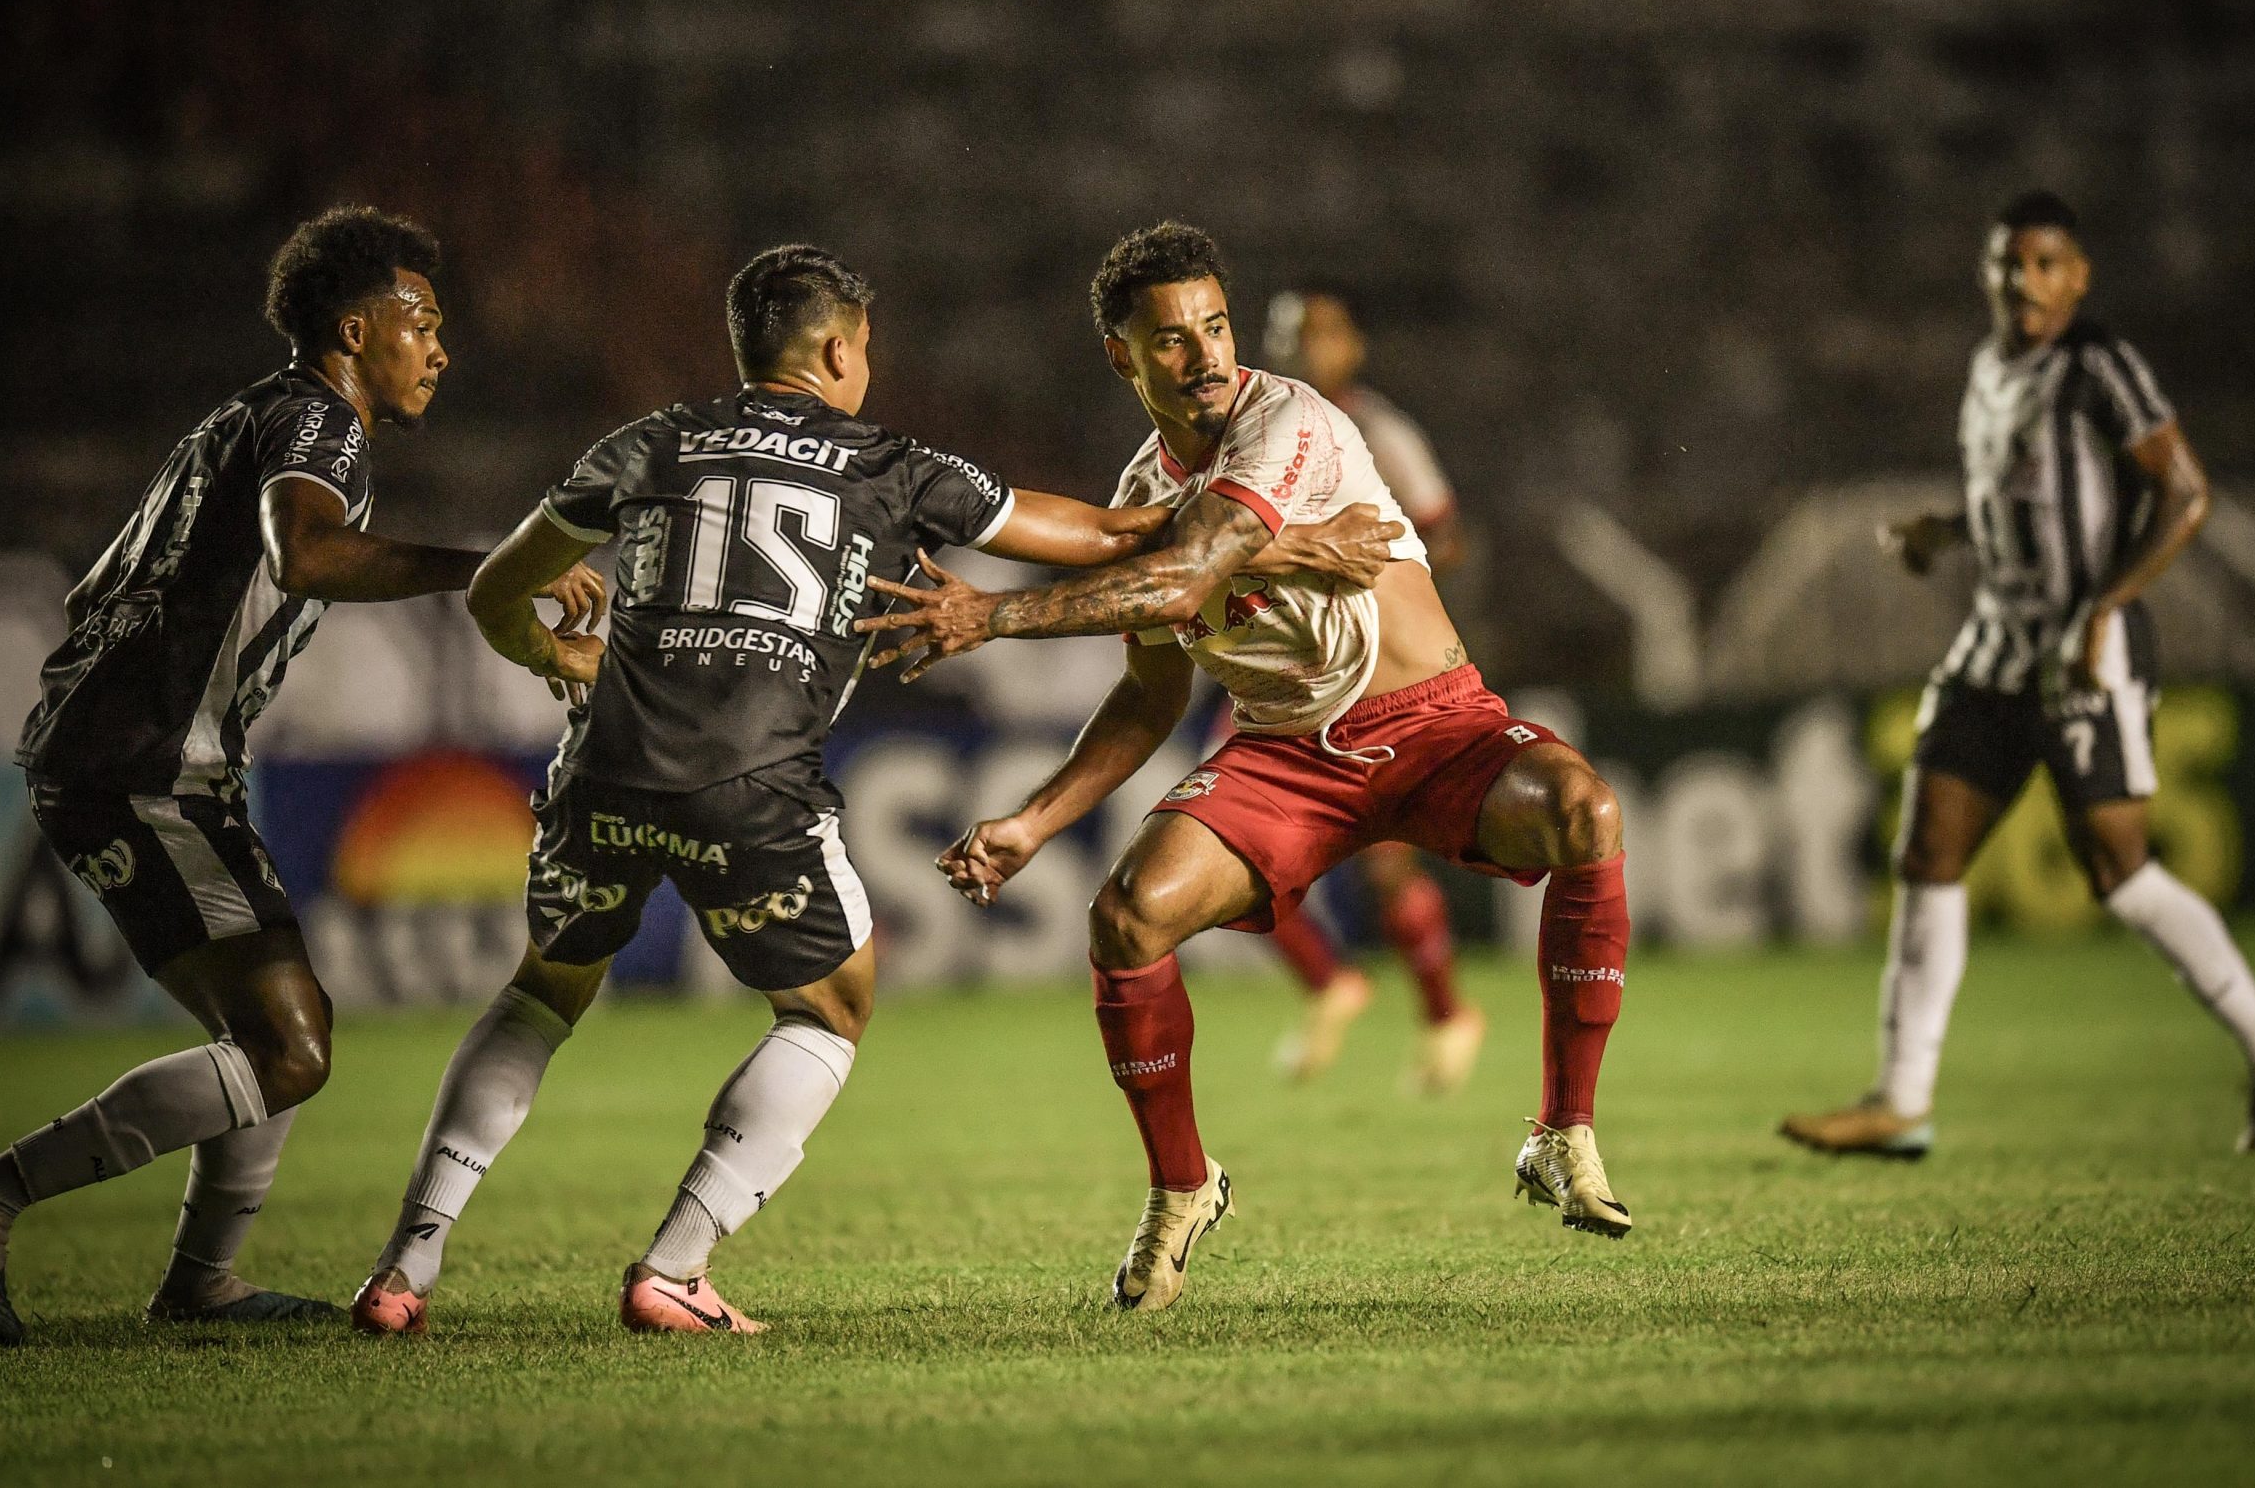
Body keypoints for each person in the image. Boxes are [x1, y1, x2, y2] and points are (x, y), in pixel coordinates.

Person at [348, 244, 1394, 1337]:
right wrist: (1293, 543)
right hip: (749, 785)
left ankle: (402, 1269)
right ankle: (673, 1268)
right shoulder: (892, 464)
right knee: (829, 1007)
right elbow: (1104, 533)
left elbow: (495, 588)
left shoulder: (644, 442)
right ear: (843, 347)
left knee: (539, 994)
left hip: (604, 766)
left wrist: (552, 654)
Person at [859, 221, 1636, 1314]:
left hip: (1432, 728)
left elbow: (1182, 578)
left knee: (1583, 811)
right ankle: (1182, 1188)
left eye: (1216, 326)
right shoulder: (1146, 484)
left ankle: (1561, 1133)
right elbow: (1148, 691)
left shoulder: (1291, 418)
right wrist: (1033, 822)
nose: (1207, 355)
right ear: (1122, 359)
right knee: (1125, 919)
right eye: (1171, 340)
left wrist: (991, 613)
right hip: (1286, 758)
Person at [0, 206, 605, 1344]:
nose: (440, 347)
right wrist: (498, 573)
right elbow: (307, 554)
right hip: (144, 767)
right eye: (419, 321)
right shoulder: (318, 425)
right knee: (288, 1046)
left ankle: (199, 1284)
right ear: (352, 327)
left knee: (284, 1032)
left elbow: (95, 594)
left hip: (151, 759)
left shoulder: (242, 418)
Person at [1780, 190, 2255, 1161]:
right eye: (2006, 264)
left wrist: (2105, 608)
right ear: (1986, 276)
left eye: (2043, 263)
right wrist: (1942, 531)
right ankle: (1901, 1101)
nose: (2023, 280)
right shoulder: (1988, 367)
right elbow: (2016, 501)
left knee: (2119, 874)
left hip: (2082, 650)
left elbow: (2186, 491)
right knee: (1927, 850)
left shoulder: (2095, 366)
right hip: (1994, 646)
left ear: (2077, 277)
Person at [1253, 284, 1483, 1092]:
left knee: (1382, 860)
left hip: (1373, 670)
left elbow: (1445, 534)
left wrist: (1373, 575)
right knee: (1225, 839)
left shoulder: (1379, 431)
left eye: (1319, 333)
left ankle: (1441, 1013)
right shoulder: (1251, 430)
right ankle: (1338, 984)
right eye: (1287, 333)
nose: (1300, 347)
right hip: (1289, 666)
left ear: (1352, 347)